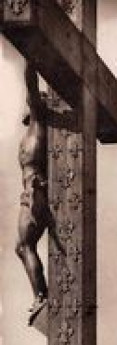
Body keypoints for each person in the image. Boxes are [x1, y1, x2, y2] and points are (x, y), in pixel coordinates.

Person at [15, 63, 61, 322]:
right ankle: (41, 295)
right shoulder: (31, 133)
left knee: (24, 245)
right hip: (31, 191)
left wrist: (30, 54)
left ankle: (41, 297)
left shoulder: (37, 124)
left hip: (35, 191)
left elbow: (31, 86)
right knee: (22, 247)